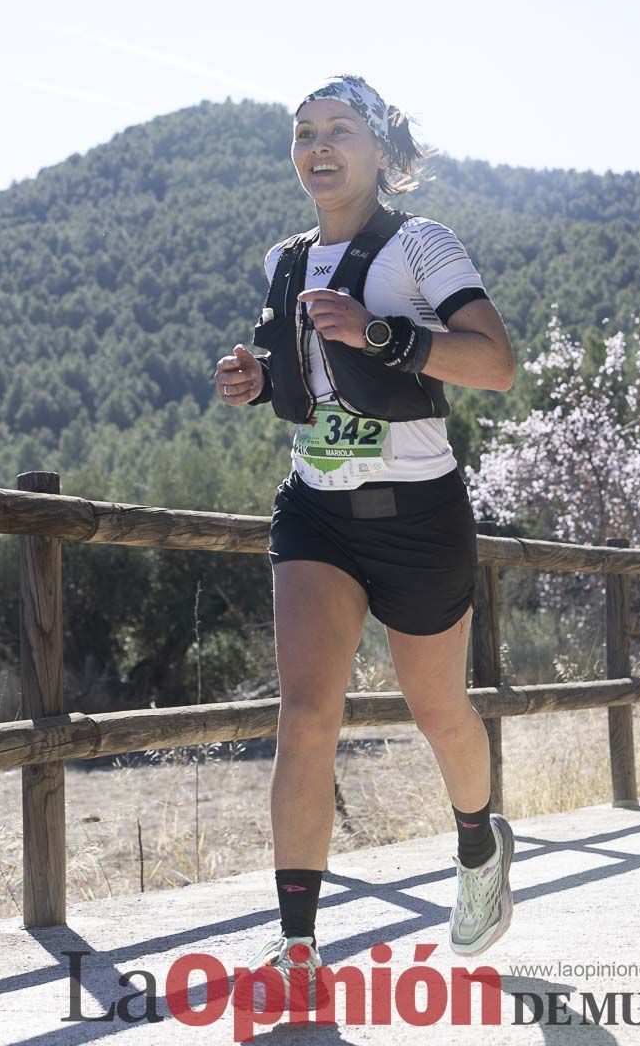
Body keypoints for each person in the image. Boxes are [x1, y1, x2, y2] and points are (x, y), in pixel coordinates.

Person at [215, 74, 517, 1014]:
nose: (318, 146)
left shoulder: (421, 245)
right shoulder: (283, 258)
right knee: (305, 719)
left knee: (441, 714)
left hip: (420, 516)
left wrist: (386, 334)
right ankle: (300, 952)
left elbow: (496, 365)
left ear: (381, 148)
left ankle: (479, 844)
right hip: (318, 512)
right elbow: (312, 375)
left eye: (338, 129)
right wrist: (259, 379)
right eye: (303, 132)